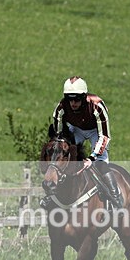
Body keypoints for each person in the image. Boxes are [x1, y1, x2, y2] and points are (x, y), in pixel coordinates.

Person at [41, 76, 122, 209]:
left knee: (101, 162)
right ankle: (51, 195)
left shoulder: (97, 106)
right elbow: (58, 133)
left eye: (77, 99)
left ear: (84, 97)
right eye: (70, 99)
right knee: (62, 159)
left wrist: (92, 157)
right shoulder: (61, 107)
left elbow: (104, 136)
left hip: (96, 132)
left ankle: (116, 198)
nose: (73, 103)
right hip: (76, 129)